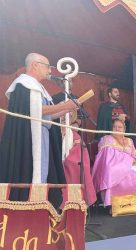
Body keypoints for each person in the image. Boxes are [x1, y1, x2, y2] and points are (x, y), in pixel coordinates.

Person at [0, 53, 77, 207]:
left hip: (43, 136)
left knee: (44, 172)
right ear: (35, 65)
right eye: (47, 66)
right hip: (28, 139)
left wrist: (67, 109)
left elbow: (47, 115)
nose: (50, 71)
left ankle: (42, 206)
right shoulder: (23, 84)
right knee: (29, 171)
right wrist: (64, 105)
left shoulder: (38, 87)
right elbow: (34, 110)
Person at [92, 119, 136, 208]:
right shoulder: (106, 139)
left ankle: (135, 203)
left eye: (120, 127)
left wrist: (135, 161)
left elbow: (135, 155)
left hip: (129, 164)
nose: (117, 129)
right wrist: (128, 161)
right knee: (112, 170)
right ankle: (112, 204)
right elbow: (107, 157)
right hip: (113, 165)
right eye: (115, 127)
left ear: (124, 130)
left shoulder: (129, 140)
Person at [61, 111, 97, 206]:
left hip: (72, 161)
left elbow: (81, 155)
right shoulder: (54, 129)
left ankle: (79, 201)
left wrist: (68, 158)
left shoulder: (74, 134)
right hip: (58, 161)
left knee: (79, 167)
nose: (64, 119)